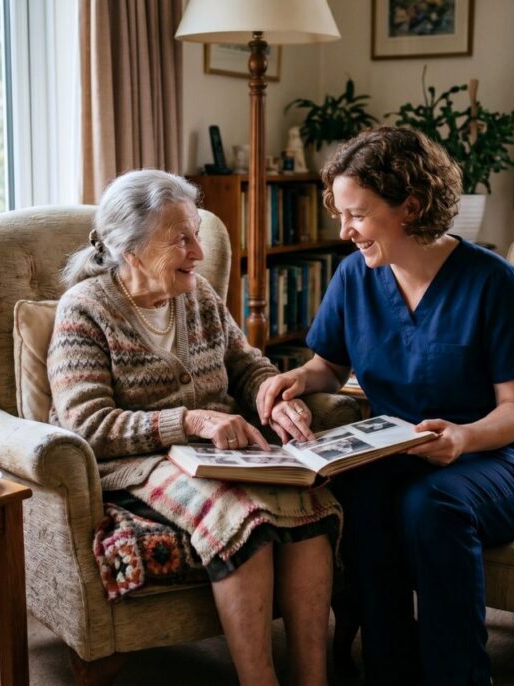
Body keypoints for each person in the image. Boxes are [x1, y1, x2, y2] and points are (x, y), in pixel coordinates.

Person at [256, 127, 514, 685]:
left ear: (410, 206)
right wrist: (294, 378)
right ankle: (389, 670)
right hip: (396, 456)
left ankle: (458, 677)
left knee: (431, 507)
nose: (344, 232)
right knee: (360, 498)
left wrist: (462, 438)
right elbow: (330, 367)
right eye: (342, 214)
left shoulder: (494, 283)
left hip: (497, 461)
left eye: (358, 215)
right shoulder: (355, 278)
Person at [50, 169, 337, 685]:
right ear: (131, 249)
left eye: (196, 235)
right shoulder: (85, 310)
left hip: (218, 453)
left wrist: (273, 397)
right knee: (243, 519)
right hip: (138, 466)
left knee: (311, 508)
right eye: (181, 239)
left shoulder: (197, 293)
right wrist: (190, 420)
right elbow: (87, 426)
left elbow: (245, 364)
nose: (198, 253)